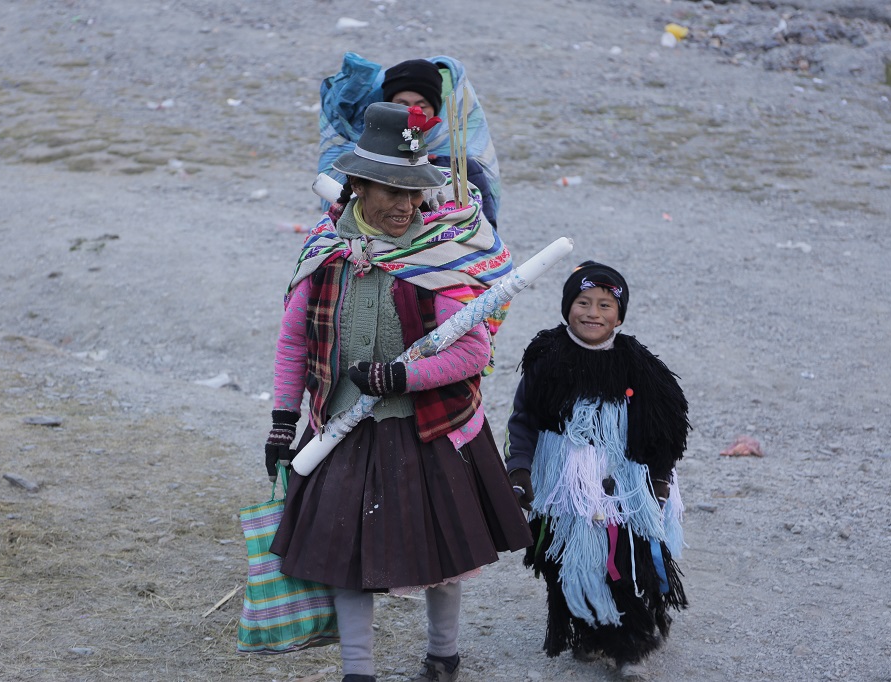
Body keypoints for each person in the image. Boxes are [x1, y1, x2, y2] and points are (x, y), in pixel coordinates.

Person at [267, 101, 532, 682]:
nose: (407, 205)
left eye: (415, 192)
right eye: (392, 190)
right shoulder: (326, 253)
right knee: (343, 557)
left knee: (441, 555)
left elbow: (472, 352)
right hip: (340, 429)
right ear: (357, 185)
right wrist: (283, 422)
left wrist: (400, 377)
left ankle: (443, 657)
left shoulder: (438, 256)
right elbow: (293, 345)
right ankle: (357, 672)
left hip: (426, 429)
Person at [504, 261, 690, 680]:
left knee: (624, 559)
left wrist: (658, 479)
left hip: (624, 486)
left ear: (619, 315)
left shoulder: (640, 367)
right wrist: (519, 469)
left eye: (605, 305)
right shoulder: (546, 358)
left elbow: (665, 430)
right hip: (563, 487)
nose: (592, 313)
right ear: (566, 307)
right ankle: (587, 628)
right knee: (566, 560)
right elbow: (523, 419)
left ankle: (632, 645)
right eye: (583, 302)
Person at [318, 53, 502, 229]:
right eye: (402, 105)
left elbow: (485, 229)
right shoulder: (363, 164)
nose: (412, 112)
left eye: (422, 106)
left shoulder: (463, 166)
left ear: (436, 111)